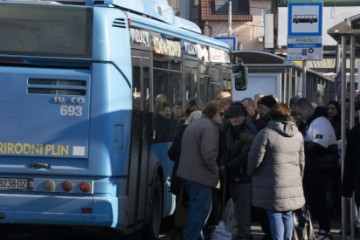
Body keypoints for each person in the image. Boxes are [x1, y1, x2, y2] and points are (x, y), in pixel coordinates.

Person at [247, 103, 305, 240]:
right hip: (292, 181)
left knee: (274, 213)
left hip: (272, 182)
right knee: (287, 213)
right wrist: (298, 178)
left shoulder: (266, 134)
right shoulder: (298, 135)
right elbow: (301, 161)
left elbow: (254, 159)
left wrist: (250, 171)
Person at [177, 100, 224, 240]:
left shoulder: (195, 124)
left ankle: (195, 236)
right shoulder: (208, 127)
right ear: (212, 114)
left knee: (196, 210)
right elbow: (208, 155)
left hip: (190, 175)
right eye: (220, 114)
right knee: (200, 211)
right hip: (199, 176)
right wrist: (216, 173)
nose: (223, 117)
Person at [293, 98, 338, 240]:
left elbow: (319, 146)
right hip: (317, 167)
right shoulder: (314, 122)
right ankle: (323, 230)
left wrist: (299, 145)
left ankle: (325, 231)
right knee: (317, 200)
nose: (299, 116)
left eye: (300, 113)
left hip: (320, 168)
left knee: (320, 200)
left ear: (306, 109)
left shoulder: (319, 123)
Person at [219, 103, 257, 240]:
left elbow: (246, 155)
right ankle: (238, 233)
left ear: (243, 116)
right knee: (236, 207)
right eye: (231, 117)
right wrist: (223, 163)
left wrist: (227, 166)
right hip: (231, 174)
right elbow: (224, 148)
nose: (234, 119)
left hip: (243, 175)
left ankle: (245, 235)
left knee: (243, 209)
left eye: (237, 116)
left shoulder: (249, 130)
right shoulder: (228, 129)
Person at [168, 110, 203, 237]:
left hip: (181, 176)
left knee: (182, 203)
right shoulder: (206, 131)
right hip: (199, 177)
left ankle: (181, 229)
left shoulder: (183, 131)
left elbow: (172, 153)